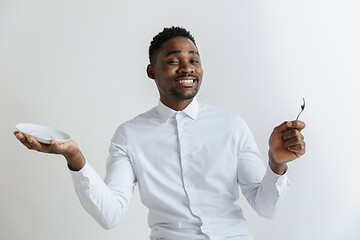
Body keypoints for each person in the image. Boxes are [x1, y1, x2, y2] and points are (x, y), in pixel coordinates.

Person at [14, 26, 306, 240]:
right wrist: (75, 158)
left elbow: (266, 207)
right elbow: (110, 215)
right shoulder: (129, 135)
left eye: (194, 59)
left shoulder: (232, 125)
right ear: (151, 70)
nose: (187, 68)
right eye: (174, 60)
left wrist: (276, 164)